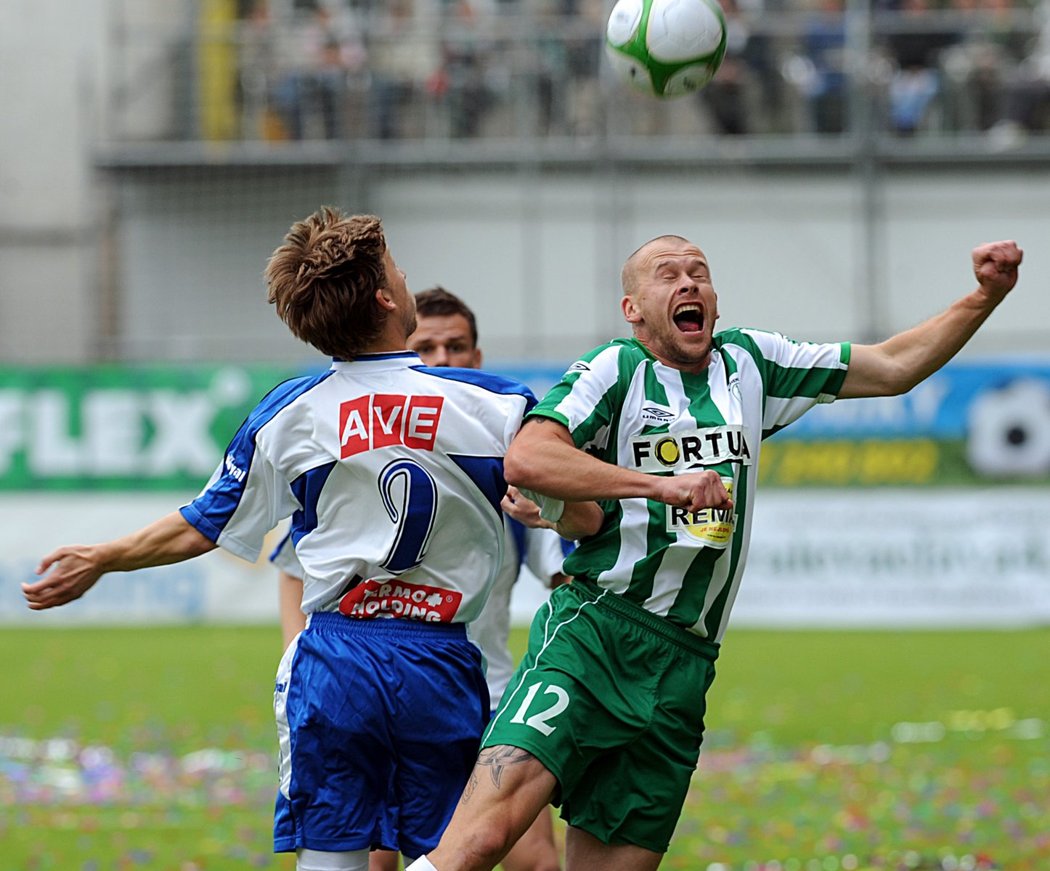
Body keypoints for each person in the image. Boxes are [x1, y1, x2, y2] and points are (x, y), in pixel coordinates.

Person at [405, 235, 1024, 871]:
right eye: (667, 274)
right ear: (634, 309)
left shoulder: (752, 364)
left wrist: (985, 297)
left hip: (684, 664)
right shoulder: (614, 370)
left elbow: (893, 367)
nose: (688, 282)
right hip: (595, 636)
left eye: (698, 272)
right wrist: (657, 485)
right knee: (480, 842)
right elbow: (530, 456)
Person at [21, 207, 579, 871]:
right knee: (447, 855)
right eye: (398, 267)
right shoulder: (497, 406)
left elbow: (203, 523)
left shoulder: (290, 412)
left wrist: (103, 556)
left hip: (337, 654)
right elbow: (569, 500)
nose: (405, 275)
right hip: (442, 658)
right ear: (384, 295)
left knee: (335, 857)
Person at [276, 285, 570, 871]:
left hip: (495, 695)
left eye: (456, 346)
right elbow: (293, 565)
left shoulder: (506, 466)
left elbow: (566, 576)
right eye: (427, 346)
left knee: (533, 856)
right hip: (385, 687)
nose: (442, 358)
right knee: (383, 858)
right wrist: (298, 652)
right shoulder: (365, 457)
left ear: (477, 358)